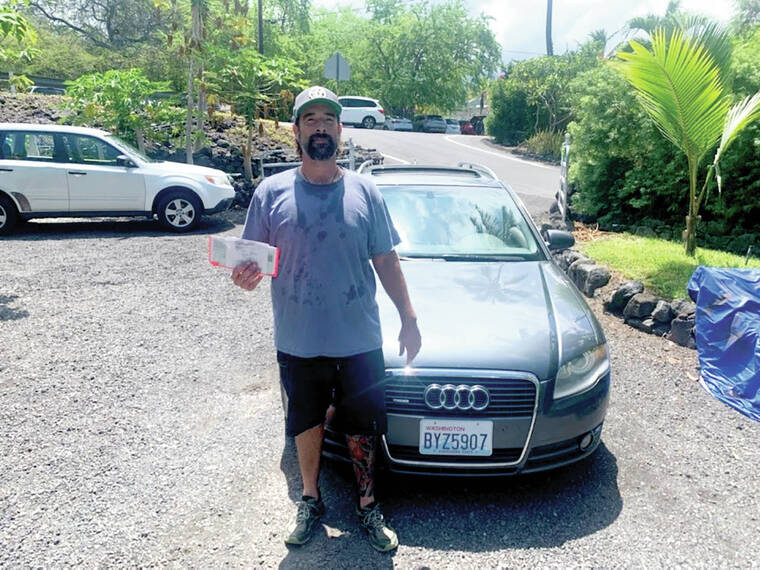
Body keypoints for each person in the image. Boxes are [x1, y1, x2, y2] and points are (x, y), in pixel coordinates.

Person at [231, 86, 421, 552]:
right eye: (310, 120)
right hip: (299, 338)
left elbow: (386, 258)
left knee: (362, 425)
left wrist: (408, 316)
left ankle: (367, 504)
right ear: (296, 132)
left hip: (359, 338)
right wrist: (246, 277)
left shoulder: (365, 191)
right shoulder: (270, 192)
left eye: (328, 120)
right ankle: (311, 499)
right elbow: (252, 260)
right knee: (306, 422)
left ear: (340, 130)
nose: (320, 128)